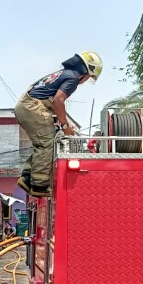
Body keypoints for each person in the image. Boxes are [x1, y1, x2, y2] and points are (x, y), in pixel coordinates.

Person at [14, 52, 102, 197]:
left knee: (44, 144)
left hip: (25, 106)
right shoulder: (73, 78)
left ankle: (27, 178)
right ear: (86, 72)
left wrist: (65, 123)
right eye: (89, 77)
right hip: (32, 107)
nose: (86, 81)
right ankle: (39, 186)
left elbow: (53, 100)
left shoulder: (64, 73)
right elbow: (58, 100)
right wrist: (65, 126)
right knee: (47, 144)